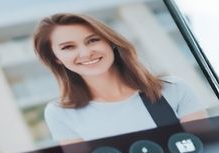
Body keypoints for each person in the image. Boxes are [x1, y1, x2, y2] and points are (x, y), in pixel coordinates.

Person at [33, 13, 207, 144]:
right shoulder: (60, 113)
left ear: (110, 42)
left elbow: (206, 147)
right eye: (68, 47)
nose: (86, 53)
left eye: (93, 40)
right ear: (56, 58)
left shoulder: (173, 89)